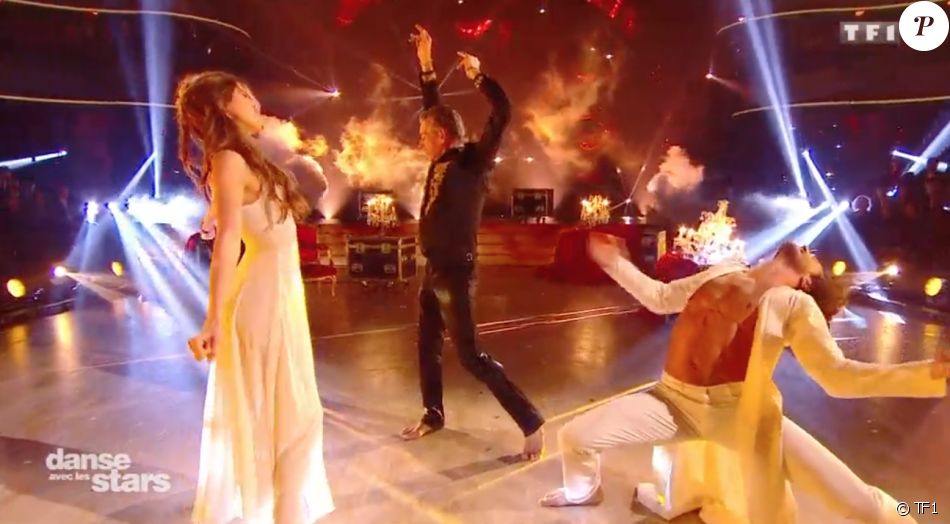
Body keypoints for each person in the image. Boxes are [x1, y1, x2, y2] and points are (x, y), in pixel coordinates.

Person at [540, 234, 948, 523]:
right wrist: (613, 262)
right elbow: (660, 298)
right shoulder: (722, 272)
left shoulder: (794, 305)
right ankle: (582, 490)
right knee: (575, 436)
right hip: (671, 402)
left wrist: (930, 375)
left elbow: (839, 377)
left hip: (739, 415)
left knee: (855, 502)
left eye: (814, 259)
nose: (809, 249)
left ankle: (915, 512)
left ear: (807, 281)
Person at [176, 71, 333, 524]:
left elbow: (237, 209)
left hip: (279, 294)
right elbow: (228, 242)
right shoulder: (228, 159)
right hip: (261, 299)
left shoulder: (241, 157)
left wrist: (214, 210)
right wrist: (212, 320)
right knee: (288, 426)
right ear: (224, 108)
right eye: (242, 94)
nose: (254, 99)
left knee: (294, 424)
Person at [399, 25, 546, 459]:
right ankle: (433, 413)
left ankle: (531, 421)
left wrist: (478, 76)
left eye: (425, 134)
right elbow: (433, 108)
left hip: (456, 272)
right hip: (433, 269)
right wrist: (426, 64)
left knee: (470, 356)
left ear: (443, 136)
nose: (419, 140)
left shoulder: (472, 161)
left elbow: (503, 111)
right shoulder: (442, 156)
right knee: (426, 345)